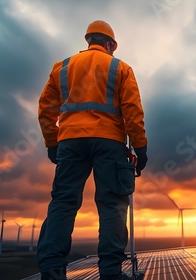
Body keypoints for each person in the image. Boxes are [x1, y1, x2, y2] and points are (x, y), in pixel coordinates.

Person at [37, 20, 148, 280]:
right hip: (109, 143)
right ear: (110, 44)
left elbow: (45, 110)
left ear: (89, 41)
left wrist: (52, 143)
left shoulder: (61, 68)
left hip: (70, 142)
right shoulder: (120, 67)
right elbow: (132, 111)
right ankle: (111, 273)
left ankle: (52, 273)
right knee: (112, 204)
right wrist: (141, 148)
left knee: (63, 203)